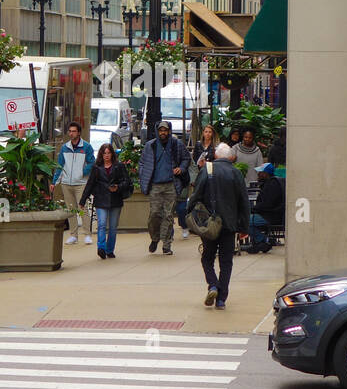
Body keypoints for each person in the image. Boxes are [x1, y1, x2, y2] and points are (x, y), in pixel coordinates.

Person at [187, 142, 250, 310]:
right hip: (229, 224)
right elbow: (244, 202)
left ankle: (213, 285)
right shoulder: (236, 173)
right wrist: (244, 227)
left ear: (215, 155)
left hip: (210, 223)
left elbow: (196, 195)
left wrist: (188, 212)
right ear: (230, 157)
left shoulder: (206, 171)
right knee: (226, 262)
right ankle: (221, 299)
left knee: (207, 257)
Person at [137, 120, 189, 255]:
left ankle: (166, 244)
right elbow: (142, 162)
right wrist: (143, 175)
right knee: (154, 214)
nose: (163, 133)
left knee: (168, 215)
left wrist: (181, 168)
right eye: (161, 130)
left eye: (165, 130)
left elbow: (186, 158)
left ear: (169, 131)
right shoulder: (151, 145)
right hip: (155, 185)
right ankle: (155, 238)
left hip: (171, 184)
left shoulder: (176, 144)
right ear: (157, 131)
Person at [80, 142, 132, 260]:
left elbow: (127, 182)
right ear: (101, 155)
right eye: (104, 153)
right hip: (101, 198)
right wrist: (83, 200)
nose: (106, 155)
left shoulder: (119, 166)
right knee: (102, 224)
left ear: (112, 154)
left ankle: (110, 250)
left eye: (109, 153)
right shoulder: (96, 167)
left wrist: (118, 187)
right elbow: (90, 184)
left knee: (113, 227)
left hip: (115, 199)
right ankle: (101, 248)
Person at [50, 121, 95, 245]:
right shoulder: (65, 147)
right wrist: (55, 182)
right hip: (66, 183)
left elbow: (92, 162)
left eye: (74, 131)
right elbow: (60, 166)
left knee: (82, 208)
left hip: (81, 183)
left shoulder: (86, 147)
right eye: (70, 131)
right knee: (71, 209)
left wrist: (82, 172)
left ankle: (87, 234)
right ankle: (73, 235)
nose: (71, 133)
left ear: (79, 133)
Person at [248, 163, 285, 253]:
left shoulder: (272, 185)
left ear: (265, 173)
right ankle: (261, 242)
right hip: (270, 215)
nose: (258, 174)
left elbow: (267, 204)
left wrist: (253, 208)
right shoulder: (272, 183)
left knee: (243, 221)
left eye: (260, 172)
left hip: (270, 216)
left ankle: (264, 240)